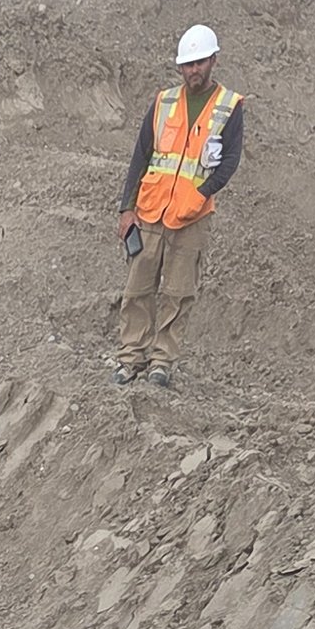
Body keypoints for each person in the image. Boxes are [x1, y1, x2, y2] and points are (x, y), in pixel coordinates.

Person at [114, 24, 245, 390]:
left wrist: (202, 192)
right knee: (138, 287)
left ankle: (161, 362)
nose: (194, 70)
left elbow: (230, 160)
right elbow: (140, 156)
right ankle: (130, 357)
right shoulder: (164, 102)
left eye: (200, 62)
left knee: (177, 292)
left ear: (214, 60)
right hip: (151, 210)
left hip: (192, 218)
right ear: (180, 67)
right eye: (187, 64)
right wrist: (127, 208)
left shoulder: (228, 107)